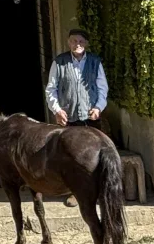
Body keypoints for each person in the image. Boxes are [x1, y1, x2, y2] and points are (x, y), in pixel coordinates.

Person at [45, 28, 108, 207]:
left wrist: (98, 107)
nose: (77, 44)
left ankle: (99, 190)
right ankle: (75, 192)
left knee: (96, 155)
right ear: (68, 42)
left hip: (91, 116)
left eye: (81, 41)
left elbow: (102, 88)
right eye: (74, 41)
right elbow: (51, 89)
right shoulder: (60, 62)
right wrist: (57, 110)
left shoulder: (95, 62)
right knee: (72, 158)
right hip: (69, 116)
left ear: (86, 43)